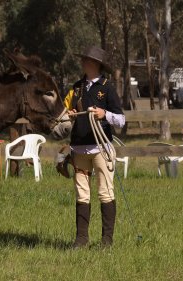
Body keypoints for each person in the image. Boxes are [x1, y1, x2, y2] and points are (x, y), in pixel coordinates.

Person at [63, 46, 125, 248]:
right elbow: (67, 113)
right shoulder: (76, 87)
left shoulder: (107, 88)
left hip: (102, 148)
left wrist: (104, 114)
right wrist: (70, 114)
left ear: (97, 64)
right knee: (82, 194)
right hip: (79, 149)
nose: (83, 62)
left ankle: (106, 241)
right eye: (84, 59)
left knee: (105, 193)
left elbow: (121, 120)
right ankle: (81, 239)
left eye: (87, 60)